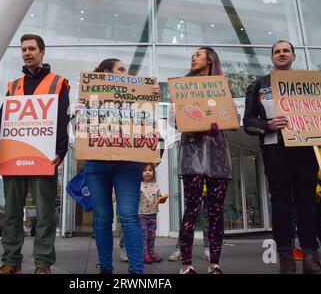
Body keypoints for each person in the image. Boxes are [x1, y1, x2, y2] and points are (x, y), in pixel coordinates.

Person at [243, 40, 321, 274]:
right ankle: (286, 258)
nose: (281, 54)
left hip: (304, 149)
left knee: (307, 202)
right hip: (275, 149)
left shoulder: (308, 83)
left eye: (285, 51)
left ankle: (311, 258)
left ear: (293, 56)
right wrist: (267, 125)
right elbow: (248, 123)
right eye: (277, 52)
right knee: (280, 202)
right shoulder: (259, 84)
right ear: (272, 58)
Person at [0, 34, 70, 274]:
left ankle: (43, 263)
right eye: (23, 49)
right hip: (13, 155)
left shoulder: (58, 82)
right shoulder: (13, 85)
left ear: (42, 52)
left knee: (45, 213)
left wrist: (61, 150)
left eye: (32, 49)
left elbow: (62, 119)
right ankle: (10, 260)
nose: (27, 53)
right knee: (12, 212)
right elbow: (4, 117)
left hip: (44, 156)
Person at [80, 58, 160, 274]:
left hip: (126, 164)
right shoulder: (88, 95)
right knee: (103, 218)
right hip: (96, 164)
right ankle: (105, 268)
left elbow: (146, 120)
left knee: (128, 216)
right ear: (107, 72)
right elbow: (77, 132)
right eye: (122, 69)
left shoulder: (137, 93)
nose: (127, 73)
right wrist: (78, 113)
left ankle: (137, 272)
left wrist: (151, 97)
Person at [173, 47, 232, 275]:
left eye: (198, 54)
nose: (193, 57)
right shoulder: (184, 85)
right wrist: (187, 122)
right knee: (191, 209)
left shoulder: (221, 86)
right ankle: (186, 265)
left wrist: (222, 122)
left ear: (210, 58)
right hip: (193, 156)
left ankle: (214, 263)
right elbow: (174, 119)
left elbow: (230, 115)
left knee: (216, 211)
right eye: (192, 56)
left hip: (217, 156)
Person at [140, 163, 167, 264]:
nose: (147, 172)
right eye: (145, 170)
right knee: (144, 236)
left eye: (150, 170)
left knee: (151, 236)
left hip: (153, 215)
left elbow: (160, 198)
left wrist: (162, 199)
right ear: (141, 173)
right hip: (141, 215)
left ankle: (151, 253)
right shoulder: (139, 185)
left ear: (153, 173)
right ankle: (144, 255)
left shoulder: (156, 185)